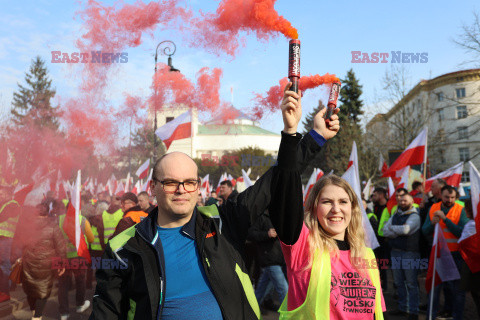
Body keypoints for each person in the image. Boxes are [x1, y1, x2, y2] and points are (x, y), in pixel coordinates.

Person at [90, 83, 339, 319]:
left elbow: (276, 180)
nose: (181, 190)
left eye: (189, 182)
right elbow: (107, 313)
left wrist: (312, 137)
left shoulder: (222, 222)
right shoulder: (124, 247)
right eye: (170, 183)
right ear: (153, 187)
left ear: (198, 187)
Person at [270, 172, 385, 319]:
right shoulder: (304, 247)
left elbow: (375, 313)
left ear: (353, 207)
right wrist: (293, 152)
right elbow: (285, 195)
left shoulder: (367, 254)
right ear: (314, 208)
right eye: (327, 202)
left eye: (343, 201)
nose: (336, 209)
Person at [11, 200, 67, 320]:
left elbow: (17, 244)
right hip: (47, 265)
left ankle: (34, 312)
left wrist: (15, 258)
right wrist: (62, 264)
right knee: (43, 289)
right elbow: (61, 248)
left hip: (28, 262)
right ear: (48, 213)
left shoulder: (26, 226)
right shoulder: (53, 226)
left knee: (30, 288)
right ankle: (37, 316)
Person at [422, 185, 469, 320]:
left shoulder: (461, 210)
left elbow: (461, 232)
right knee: (434, 287)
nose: (449, 199)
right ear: (441, 196)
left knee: (456, 289)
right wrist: (432, 223)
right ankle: (430, 316)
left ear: (456, 197)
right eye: (446, 197)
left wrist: (445, 219)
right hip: (438, 254)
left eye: (452, 197)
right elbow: (424, 230)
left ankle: (457, 316)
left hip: (456, 254)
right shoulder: (433, 208)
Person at [382, 188, 421, 319]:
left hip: (410, 253)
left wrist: (392, 229)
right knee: (398, 282)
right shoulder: (396, 214)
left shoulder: (415, 216)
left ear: (412, 201)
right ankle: (402, 308)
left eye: (405, 200)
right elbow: (384, 230)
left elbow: (406, 230)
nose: (402, 202)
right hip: (395, 252)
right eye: (400, 200)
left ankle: (413, 311)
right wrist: (396, 230)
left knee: (411, 283)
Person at [58, 198, 95, 320]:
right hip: (79, 257)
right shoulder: (82, 220)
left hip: (62, 257)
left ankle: (64, 313)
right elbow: (91, 239)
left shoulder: (59, 219)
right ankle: (80, 305)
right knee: (80, 281)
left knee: (63, 285)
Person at [247, 211, 288, 313]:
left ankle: (252, 310)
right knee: (284, 289)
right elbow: (251, 234)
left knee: (262, 288)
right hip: (269, 258)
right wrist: (267, 234)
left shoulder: (281, 215)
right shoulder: (261, 216)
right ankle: (286, 315)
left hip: (279, 257)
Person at [459, 198, 480, 318]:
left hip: (474, 267)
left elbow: (462, 243)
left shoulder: (472, 225)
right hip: (474, 267)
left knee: (477, 296)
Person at [0, 185, 20, 302]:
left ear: (9, 194)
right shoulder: (3, 205)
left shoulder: (13, 204)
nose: (1, 196)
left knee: (4, 265)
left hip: (6, 239)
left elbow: (2, 217)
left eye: (2, 194)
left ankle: (5, 292)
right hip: (2, 239)